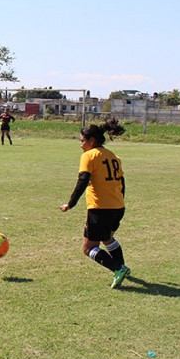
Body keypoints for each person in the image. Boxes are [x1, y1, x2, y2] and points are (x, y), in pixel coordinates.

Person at [59, 117, 130, 289]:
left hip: (100, 208)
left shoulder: (89, 156)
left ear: (91, 141)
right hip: (118, 206)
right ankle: (122, 267)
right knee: (107, 238)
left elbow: (83, 181)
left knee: (88, 248)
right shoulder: (113, 156)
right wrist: (119, 200)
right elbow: (122, 182)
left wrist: (70, 203)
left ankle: (118, 268)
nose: (81, 145)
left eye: (82, 141)